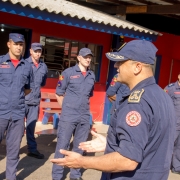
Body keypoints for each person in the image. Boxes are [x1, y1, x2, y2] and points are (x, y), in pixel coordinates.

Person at [50, 40, 176, 180]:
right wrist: (111, 145)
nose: (116, 66)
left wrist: (82, 162)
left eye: (120, 62)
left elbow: (127, 160)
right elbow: (149, 143)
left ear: (137, 67)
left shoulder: (137, 102)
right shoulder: (162, 96)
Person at [52, 47, 95, 180]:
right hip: (69, 116)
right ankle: (57, 176)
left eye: (90, 57)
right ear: (79, 58)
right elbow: (59, 93)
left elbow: (89, 95)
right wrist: (66, 110)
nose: (88, 59)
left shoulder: (91, 75)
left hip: (84, 116)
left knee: (79, 146)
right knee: (62, 145)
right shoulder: (68, 73)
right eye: (85, 57)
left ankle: (75, 175)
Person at [0, 33, 34, 180]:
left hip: (18, 115)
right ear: (9, 44)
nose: (19, 47)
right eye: (16, 44)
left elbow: (28, 88)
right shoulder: (0, 62)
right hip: (0, 112)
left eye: (21, 44)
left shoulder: (27, 66)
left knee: (14, 151)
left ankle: (11, 177)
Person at [25, 43, 48, 159]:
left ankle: (32, 149)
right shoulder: (24, 64)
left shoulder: (44, 67)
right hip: (22, 101)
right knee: (16, 128)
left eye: (39, 51)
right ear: (31, 51)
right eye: (35, 51)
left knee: (31, 127)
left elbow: (43, 83)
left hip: (34, 102)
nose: (38, 53)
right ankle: (12, 150)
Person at [164, 74, 180, 174]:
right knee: (168, 145)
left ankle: (176, 167)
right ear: (178, 76)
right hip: (173, 124)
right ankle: (163, 166)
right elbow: (162, 103)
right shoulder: (170, 88)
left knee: (179, 147)